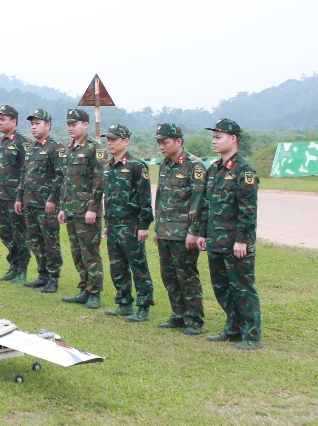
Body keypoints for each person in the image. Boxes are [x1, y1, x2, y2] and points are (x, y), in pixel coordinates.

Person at [196, 119, 262, 350]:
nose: (214, 141)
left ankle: (252, 335)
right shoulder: (214, 169)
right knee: (221, 287)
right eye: (213, 137)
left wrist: (242, 240)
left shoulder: (244, 171)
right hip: (216, 239)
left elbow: (248, 210)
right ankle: (233, 328)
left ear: (233, 139)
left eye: (218, 137)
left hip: (235, 242)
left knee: (242, 288)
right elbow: (207, 204)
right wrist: (203, 233)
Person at [153, 123, 207, 335]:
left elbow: (198, 201)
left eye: (165, 142)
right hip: (165, 230)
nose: (161, 147)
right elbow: (161, 198)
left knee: (187, 276)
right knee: (168, 275)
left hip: (184, 233)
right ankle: (178, 314)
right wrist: (158, 228)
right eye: (159, 143)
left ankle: (194, 319)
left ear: (179, 142)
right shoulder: (165, 164)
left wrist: (194, 231)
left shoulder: (194, 166)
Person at [102, 124, 155, 321]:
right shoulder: (108, 166)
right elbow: (108, 198)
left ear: (125, 141)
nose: (110, 143)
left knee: (138, 265)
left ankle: (143, 306)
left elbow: (144, 198)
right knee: (117, 266)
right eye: (108, 139)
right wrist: (107, 224)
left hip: (131, 224)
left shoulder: (136, 166)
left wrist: (143, 226)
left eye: (114, 139)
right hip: (113, 224)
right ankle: (124, 303)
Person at [59, 108, 107, 310]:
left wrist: (93, 208)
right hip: (72, 209)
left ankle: (95, 292)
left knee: (90, 252)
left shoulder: (95, 148)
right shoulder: (70, 147)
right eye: (69, 125)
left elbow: (99, 180)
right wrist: (63, 207)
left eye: (74, 124)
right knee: (77, 252)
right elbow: (66, 181)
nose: (71, 128)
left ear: (86, 125)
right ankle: (84, 288)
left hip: (87, 211)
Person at [15, 109, 63, 293]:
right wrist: (19, 197)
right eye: (32, 124)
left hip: (46, 205)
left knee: (50, 241)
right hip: (30, 202)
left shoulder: (56, 148)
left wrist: (53, 199)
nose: (33, 127)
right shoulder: (31, 148)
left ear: (48, 125)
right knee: (35, 241)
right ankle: (42, 275)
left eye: (38, 123)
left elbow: (60, 176)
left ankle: (53, 278)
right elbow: (24, 174)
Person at [0, 104, 31, 283]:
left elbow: (26, 171)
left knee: (19, 234)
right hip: (1, 195)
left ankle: (22, 269)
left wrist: (21, 197)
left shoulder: (22, 143)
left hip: (14, 197)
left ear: (14, 121)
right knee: (5, 234)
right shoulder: (1, 142)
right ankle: (13, 267)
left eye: (3, 119)